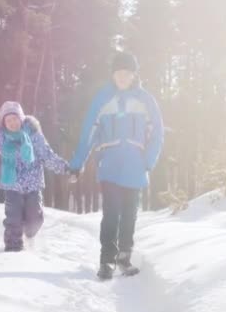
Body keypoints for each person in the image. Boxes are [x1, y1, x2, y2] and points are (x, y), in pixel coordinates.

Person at [68, 52, 164, 280]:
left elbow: (157, 133)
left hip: (135, 166)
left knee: (129, 214)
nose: (122, 77)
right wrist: (76, 164)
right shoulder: (102, 99)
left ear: (133, 75)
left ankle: (124, 256)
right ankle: (106, 261)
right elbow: (88, 134)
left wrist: (149, 161)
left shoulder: (145, 100)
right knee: (111, 213)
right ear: (113, 74)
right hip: (110, 165)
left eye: (127, 73)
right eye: (118, 72)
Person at [0, 101, 69, 252]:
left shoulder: (34, 135)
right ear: (3, 123)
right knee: (13, 219)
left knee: (34, 219)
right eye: (8, 120)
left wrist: (65, 168)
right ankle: (13, 248)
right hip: (12, 186)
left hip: (33, 186)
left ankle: (30, 234)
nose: (12, 123)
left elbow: (48, 156)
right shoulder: (1, 137)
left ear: (21, 119)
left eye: (15, 119)